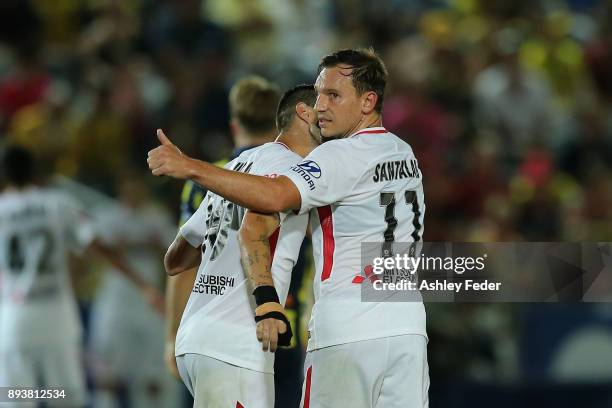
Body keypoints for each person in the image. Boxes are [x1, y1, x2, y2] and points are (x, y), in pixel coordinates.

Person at [148, 48, 429, 408]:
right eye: (319, 94)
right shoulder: (404, 152)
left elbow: (272, 199)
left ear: (367, 101)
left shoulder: (334, 156)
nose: (322, 106)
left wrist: (191, 167)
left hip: (346, 328)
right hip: (407, 327)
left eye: (333, 95)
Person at [163, 84, 320, 407]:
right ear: (305, 114)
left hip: (196, 336)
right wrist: (265, 302)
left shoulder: (235, 168)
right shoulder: (292, 173)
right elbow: (252, 231)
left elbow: (175, 259)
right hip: (238, 341)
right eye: (328, 103)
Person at [0, 145, 163, 408]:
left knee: (16, 399)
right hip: (57, 321)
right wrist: (142, 284)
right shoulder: (58, 204)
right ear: (35, 173)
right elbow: (98, 247)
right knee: (65, 398)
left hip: (13, 321)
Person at [88, 174, 181, 408]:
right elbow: (93, 252)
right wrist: (137, 244)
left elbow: (174, 257)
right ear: (121, 189)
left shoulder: (157, 217)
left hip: (149, 304)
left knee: (152, 376)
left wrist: (136, 245)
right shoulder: (106, 215)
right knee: (107, 376)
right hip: (114, 302)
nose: (133, 194)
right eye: (128, 188)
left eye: (137, 188)